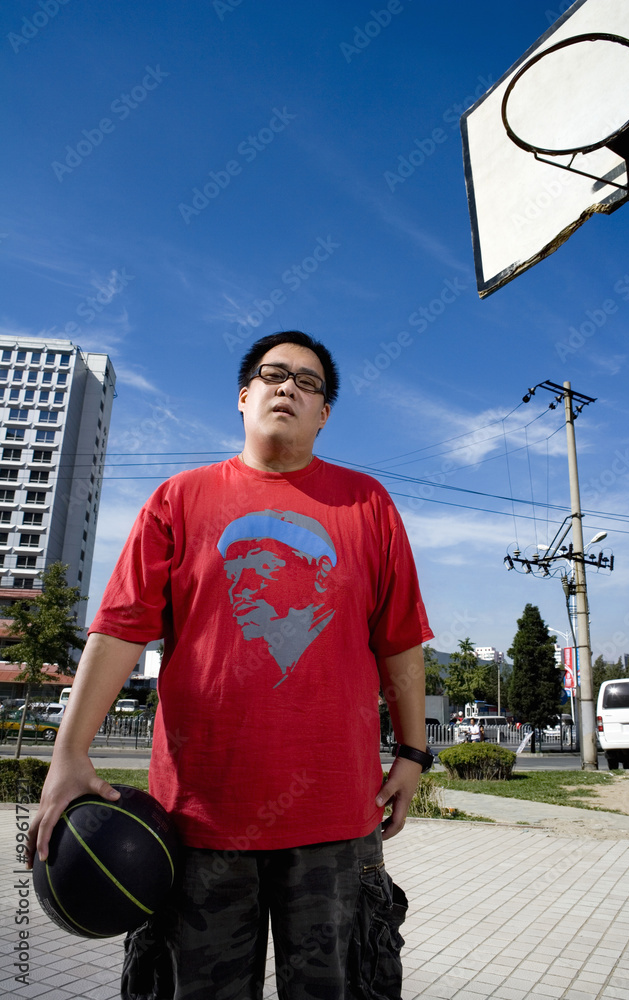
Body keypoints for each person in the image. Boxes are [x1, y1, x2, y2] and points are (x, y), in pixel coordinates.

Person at [27, 331, 433, 1000]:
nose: (288, 388)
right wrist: (68, 756)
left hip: (336, 818)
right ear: (243, 397)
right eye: (272, 375)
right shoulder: (177, 501)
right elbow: (120, 630)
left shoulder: (368, 506)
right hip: (200, 820)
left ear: (323, 413)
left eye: (307, 382)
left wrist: (412, 754)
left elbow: (400, 640)